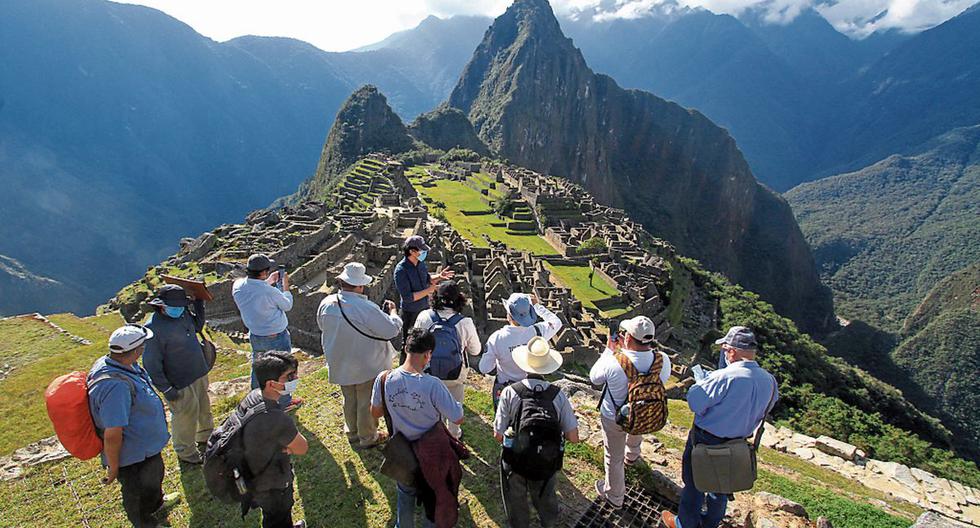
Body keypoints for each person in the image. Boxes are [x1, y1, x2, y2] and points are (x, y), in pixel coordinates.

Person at [661, 327, 779, 528]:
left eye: (725, 349)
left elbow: (695, 404)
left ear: (732, 351)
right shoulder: (769, 381)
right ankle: (709, 524)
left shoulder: (724, 377)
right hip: (738, 443)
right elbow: (768, 405)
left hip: (707, 439)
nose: (724, 353)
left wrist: (704, 384)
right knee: (721, 487)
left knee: (694, 483)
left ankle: (685, 524)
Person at [370, 328, 465, 528]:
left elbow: (375, 412)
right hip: (431, 455)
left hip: (402, 452)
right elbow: (458, 417)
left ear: (406, 348)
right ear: (428, 354)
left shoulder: (384, 378)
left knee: (405, 494)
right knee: (433, 499)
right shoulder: (433, 385)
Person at [89, 324, 176, 528]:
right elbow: (113, 432)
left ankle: (157, 504)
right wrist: (114, 465)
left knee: (154, 476)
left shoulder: (123, 365)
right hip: (132, 455)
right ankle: (146, 523)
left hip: (145, 447)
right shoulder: (114, 386)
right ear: (137, 351)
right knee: (136, 493)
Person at [494, 336, 580, 528]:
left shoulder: (510, 392)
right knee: (546, 497)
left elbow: (498, 435)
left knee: (516, 499)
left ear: (524, 365)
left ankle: (519, 523)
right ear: (547, 367)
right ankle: (548, 522)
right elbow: (574, 437)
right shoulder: (558, 396)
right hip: (546, 461)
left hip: (516, 460)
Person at [589, 316, 672, 508]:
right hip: (645, 411)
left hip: (614, 417)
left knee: (613, 457)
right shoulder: (662, 360)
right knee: (638, 419)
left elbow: (595, 379)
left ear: (627, 339)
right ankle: (633, 455)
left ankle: (615, 496)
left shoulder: (614, 361)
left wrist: (608, 350)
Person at [317, 262, 401, 448]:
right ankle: (368, 436)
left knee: (349, 398)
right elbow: (391, 331)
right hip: (366, 363)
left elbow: (322, 327)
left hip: (340, 361)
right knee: (366, 402)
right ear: (360, 285)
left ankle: (352, 432)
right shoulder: (367, 308)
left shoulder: (326, 304)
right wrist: (394, 313)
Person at [142, 284, 214, 465]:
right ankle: (186, 452)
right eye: (175, 306)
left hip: (197, 371)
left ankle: (206, 437)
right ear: (161, 305)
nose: (178, 309)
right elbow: (151, 363)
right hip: (179, 382)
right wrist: (165, 388)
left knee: (203, 409)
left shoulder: (183, 314)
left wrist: (199, 304)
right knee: (184, 418)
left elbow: (196, 326)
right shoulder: (153, 329)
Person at [241, 351, 309, 528]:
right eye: (289, 376)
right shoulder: (276, 418)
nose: (295, 378)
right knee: (278, 515)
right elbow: (302, 447)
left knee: (274, 515)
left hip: (253, 473)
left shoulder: (253, 397)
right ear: (272, 383)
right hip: (272, 481)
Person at [413, 281, 481, 439]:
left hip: (428, 371)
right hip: (455, 373)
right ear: (459, 300)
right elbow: (475, 350)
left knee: (430, 403)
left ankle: (432, 432)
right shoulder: (465, 322)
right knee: (454, 404)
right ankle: (453, 434)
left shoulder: (424, 317)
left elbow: (415, 343)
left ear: (435, 297)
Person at [232, 253, 299, 408]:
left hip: (256, 335)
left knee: (259, 368)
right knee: (283, 369)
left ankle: (256, 400)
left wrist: (268, 282)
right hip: (276, 337)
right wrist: (285, 286)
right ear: (263, 272)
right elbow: (287, 305)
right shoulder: (270, 292)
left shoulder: (238, 285)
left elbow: (257, 291)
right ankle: (283, 402)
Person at [479, 292, 563, 408]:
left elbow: (484, 368)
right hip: (530, 390)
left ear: (509, 315)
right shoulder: (538, 332)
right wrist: (538, 307)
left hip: (505, 388)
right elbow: (557, 322)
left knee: (502, 422)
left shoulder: (497, 338)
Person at [393, 235, 454, 359]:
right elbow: (408, 298)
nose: (423, 252)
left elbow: (427, 279)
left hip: (424, 308)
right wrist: (429, 291)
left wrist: (439, 276)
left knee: (425, 341)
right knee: (410, 343)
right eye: (421, 250)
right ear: (412, 251)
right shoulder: (401, 271)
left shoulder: (420, 264)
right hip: (411, 313)